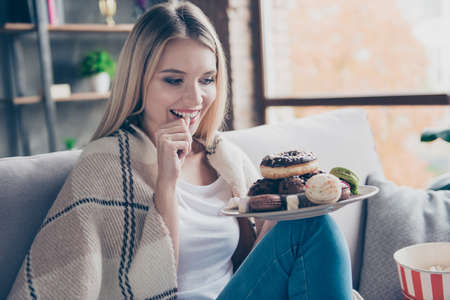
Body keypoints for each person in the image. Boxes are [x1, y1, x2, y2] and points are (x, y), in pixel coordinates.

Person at [8, 1, 357, 299]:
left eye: (206, 79)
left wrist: (280, 216)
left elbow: (251, 267)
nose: (195, 99)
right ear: (139, 82)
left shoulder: (225, 158)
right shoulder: (106, 163)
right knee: (312, 228)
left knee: (312, 222)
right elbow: (150, 286)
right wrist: (166, 184)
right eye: (173, 80)